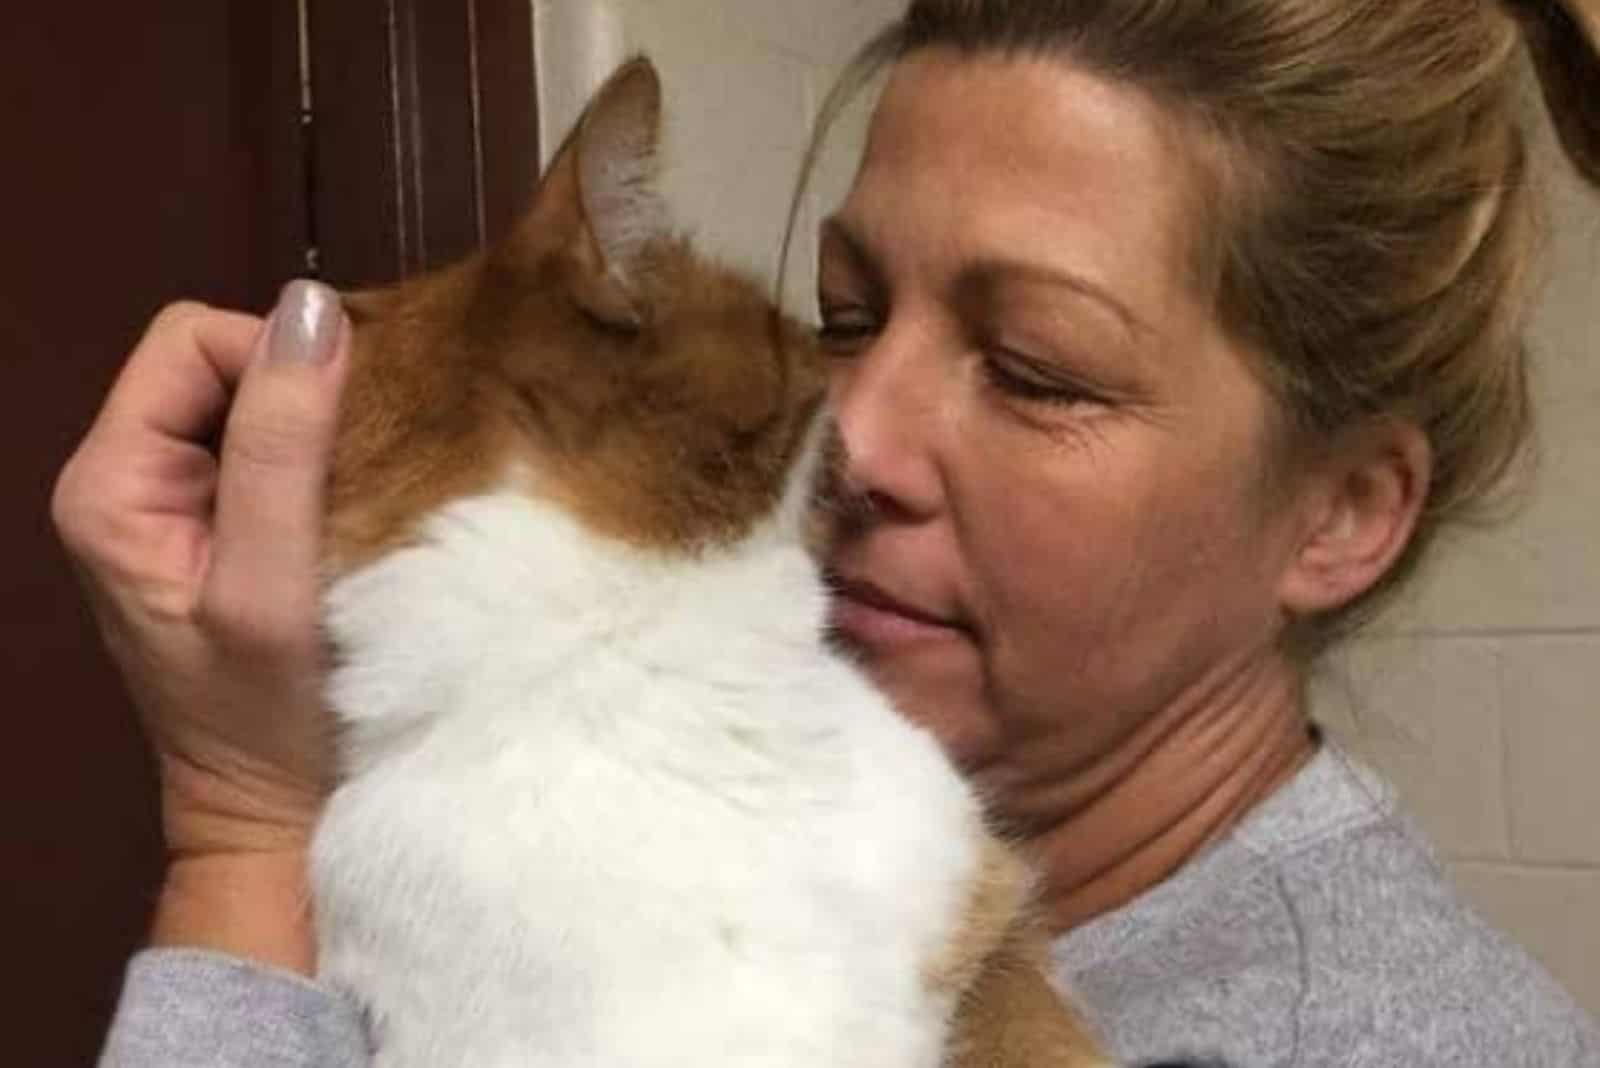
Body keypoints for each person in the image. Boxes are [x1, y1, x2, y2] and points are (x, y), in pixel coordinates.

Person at [61, 0, 1600, 1065]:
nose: (848, 436)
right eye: (846, 314)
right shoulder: (680, 832)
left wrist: (237, 841)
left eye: (1038, 372)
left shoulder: (1372, 1033)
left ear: (1339, 516)